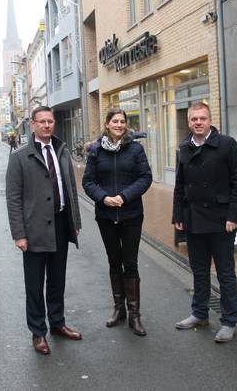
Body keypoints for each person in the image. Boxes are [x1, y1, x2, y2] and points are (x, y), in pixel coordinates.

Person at [5, 106, 83, 355]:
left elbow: (70, 188)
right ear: (33, 124)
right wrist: (19, 234)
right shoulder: (19, 156)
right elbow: (13, 198)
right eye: (42, 121)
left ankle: (57, 323)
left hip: (60, 224)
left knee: (57, 280)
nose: (47, 125)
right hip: (34, 229)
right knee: (35, 284)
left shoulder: (61, 150)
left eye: (50, 121)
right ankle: (38, 332)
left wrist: (75, 223)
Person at [172, 102, 237, 343]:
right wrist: (177, 216)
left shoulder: (227, 145)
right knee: (199, 270)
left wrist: (233, 217)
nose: (198, 122)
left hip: (220, 221)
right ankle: (199, 313)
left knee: (225, 273)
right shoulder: (184, 147)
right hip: (193, 220)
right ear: (189, 121)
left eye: (202, 118)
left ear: (210, 120)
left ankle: (228, 321)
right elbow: (180, 185)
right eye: (194, 119)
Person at [82, 108, 152, 336]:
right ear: (107, 124)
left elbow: (145, 178)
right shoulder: (96, 151)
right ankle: (118, 309)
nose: (119, 125)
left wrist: (124, 196)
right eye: (115, 121)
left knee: (130, 263)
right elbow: (88, 181)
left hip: (131, 215)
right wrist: (104, 197)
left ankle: (135, 315)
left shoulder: (135, 149)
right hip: (106, 216)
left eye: (122, 121)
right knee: (114, 262)